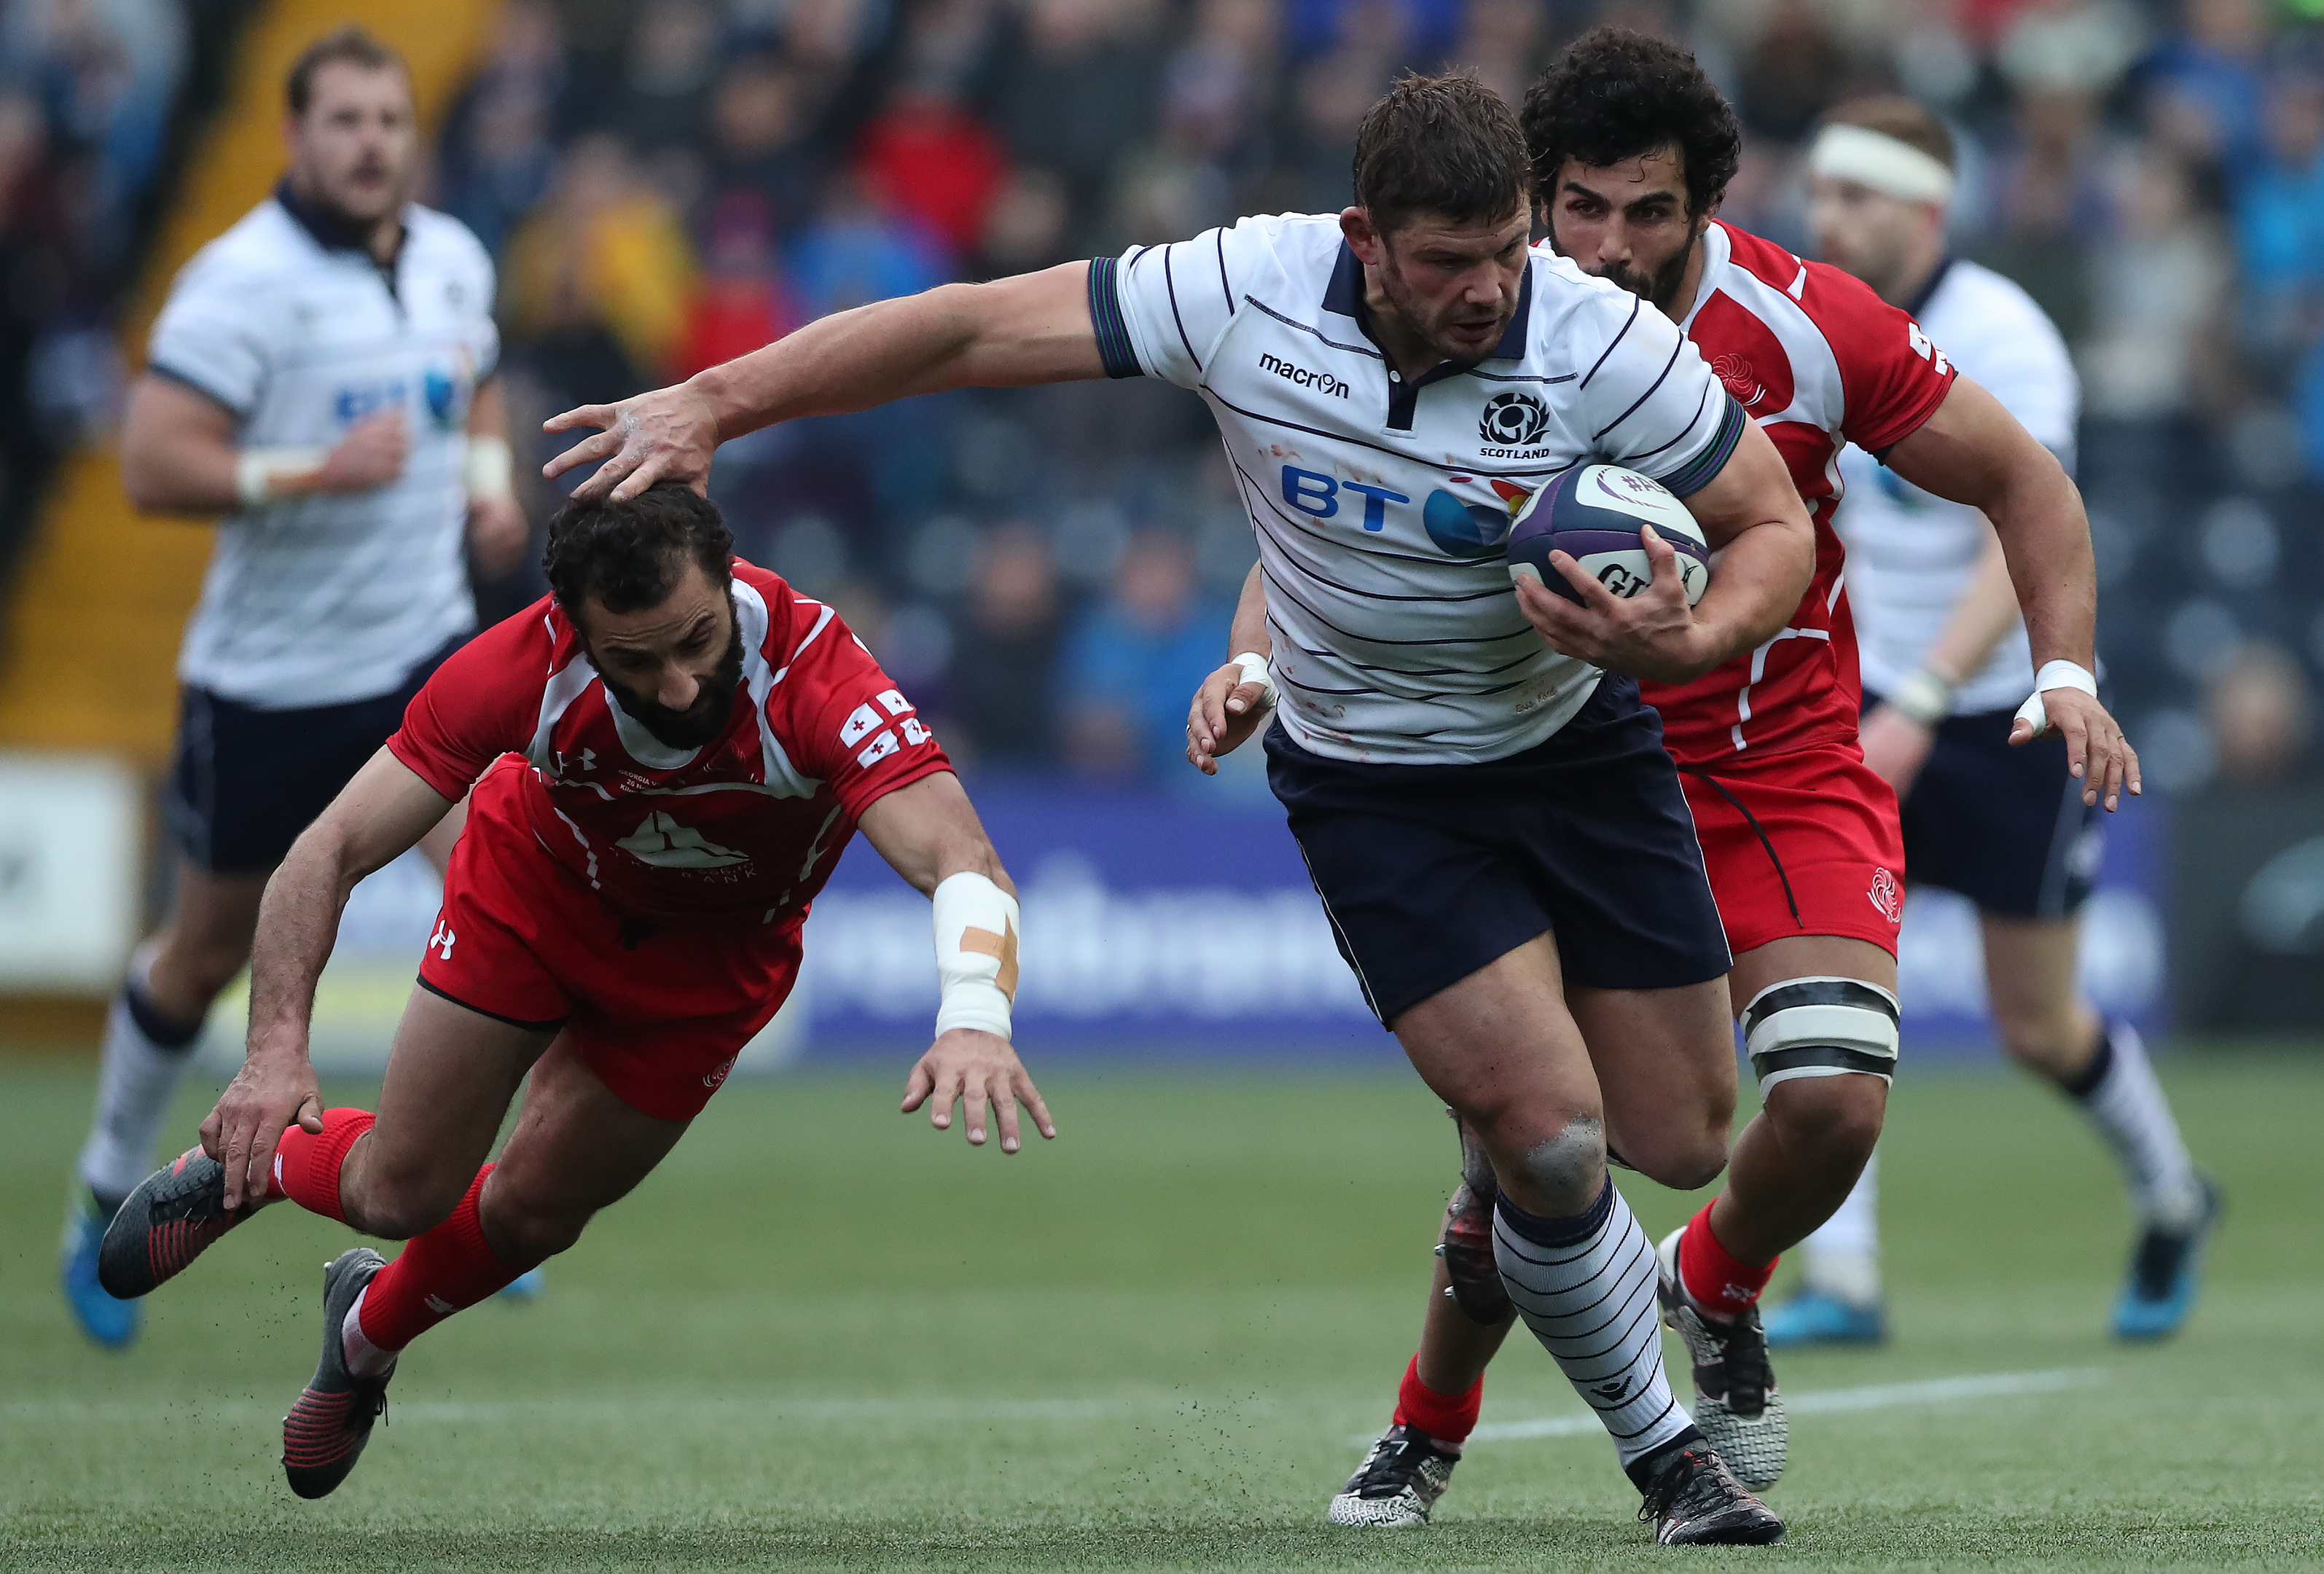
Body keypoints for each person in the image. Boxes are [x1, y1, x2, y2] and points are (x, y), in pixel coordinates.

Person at [543, 70, 1823, 1548]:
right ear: (1361, 238)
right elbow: (964, 327)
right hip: (1372, 777)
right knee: (1548, 1139)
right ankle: (1666, 1460)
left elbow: (1769, 525)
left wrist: (1690, 641)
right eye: (1443, 261)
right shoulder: (1237, 286)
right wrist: (720, 397)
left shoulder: (1601, 342)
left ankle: (1516, 1216)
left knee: (1678, 1140)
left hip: (1575, 742)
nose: (1484, 292)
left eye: (1503, 253)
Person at [1218, 31, 2140, 1527]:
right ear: (1530, 202)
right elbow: (1347, 533)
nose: (1609, 245)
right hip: (1565, 763)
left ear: (1706, 204)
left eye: (1648, 213)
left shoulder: (1807, 323)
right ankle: (1425, 1425)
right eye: (1577, 209)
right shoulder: (1480, 320)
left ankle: (1710, 1287)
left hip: (1771, 762)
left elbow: (2023, 479)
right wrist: (1254, 656)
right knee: (1526, 1141)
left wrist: (2062, 673)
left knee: (1833, 1105)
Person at [98, 484, 1052, 1500]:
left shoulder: (816, 674)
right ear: (573, 629)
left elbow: (963, 862)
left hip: (710, 967)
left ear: (729, 584)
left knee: (535, 1214)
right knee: (402, 1191)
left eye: (697, 639)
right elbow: (327, 848)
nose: (680, 686)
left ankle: (365, 1335)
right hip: (533, 900)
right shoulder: (520, 666)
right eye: (636, 660)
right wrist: (274, 1053)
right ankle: (262, 1160)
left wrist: (974, 1022)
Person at [60, 26, 531, 1350]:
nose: (372, 140)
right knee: (207, 951)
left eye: (389, 118)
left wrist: (487, 491)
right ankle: (105, 1179)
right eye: (345, 121)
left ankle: (474, 1201)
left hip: (422, 665)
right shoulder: (237, 285)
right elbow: (154, 465)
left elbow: (474, 386)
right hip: (270, 682)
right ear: (295, 137)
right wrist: (303, 475)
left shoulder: (450, 255)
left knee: (513, 908)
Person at [1770, 96, 2218, 1349]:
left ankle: (2173, 1196)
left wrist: (1919, 696)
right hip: (1850, 697)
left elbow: (2019, 532)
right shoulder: (1803, 323)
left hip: (1999, 711)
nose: (1829, 218)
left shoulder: (1999, 334)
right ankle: (1843, 1277)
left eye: (1857, 197)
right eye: (1820, 194)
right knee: (1826, 977)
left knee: (2037, 1026)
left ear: (1926, 212)